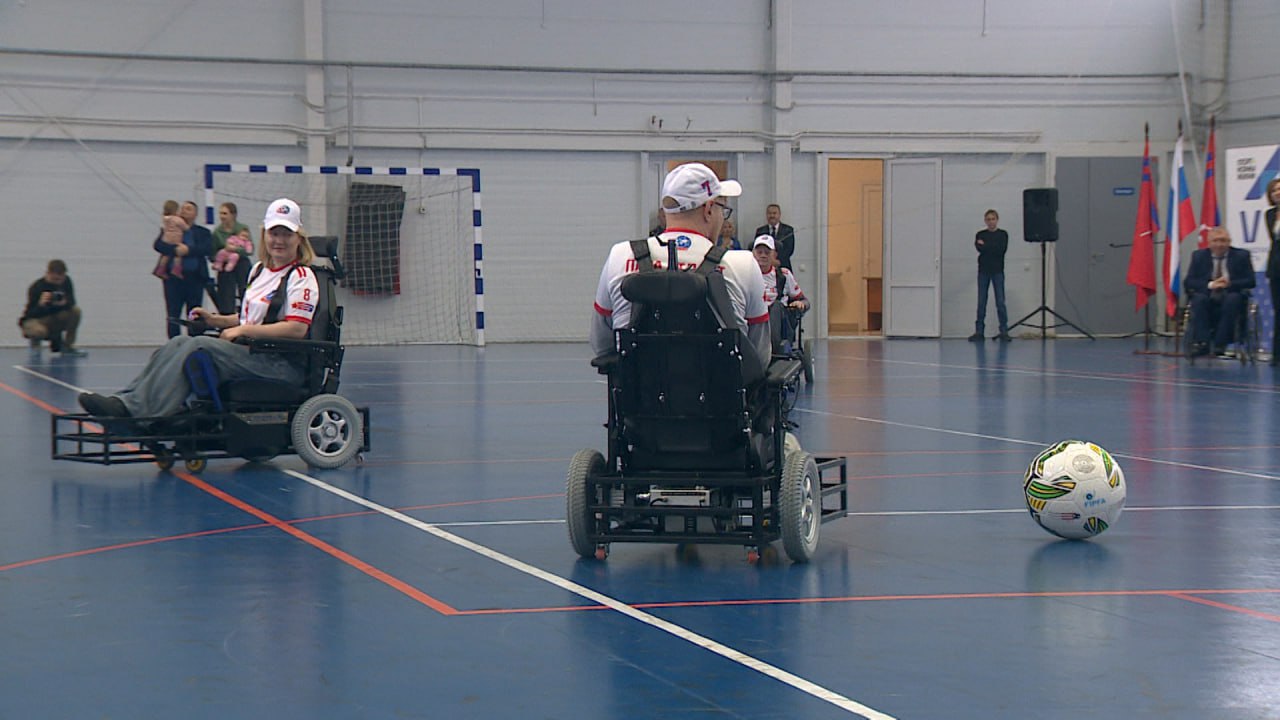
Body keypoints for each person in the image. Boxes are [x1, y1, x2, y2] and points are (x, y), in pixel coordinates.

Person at [78, 198, 319, 419]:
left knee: (198, 345)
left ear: (298, 238)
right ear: (264, 234)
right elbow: (251, 318)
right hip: (252, 353)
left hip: (279, 364)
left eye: (286, 234)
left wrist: (243, 330)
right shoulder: (259, 271)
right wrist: (215, 320)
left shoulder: (301, 276)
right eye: (274, 233)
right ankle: (124, 401)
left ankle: (139, 413)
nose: (279, 240)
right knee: (177, 343)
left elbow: (297, 328)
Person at [591, 162, 770, 378]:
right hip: (723, 396)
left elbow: (601, 344)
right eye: (722, 210)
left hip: (639, 395)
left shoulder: (620, 256)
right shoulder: (743, 263)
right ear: (708, 209)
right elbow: (759, 356)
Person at [1185, 226, 1255, 358]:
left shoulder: (1241, 256)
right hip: (1208, 294)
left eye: (1223, 240)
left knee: (1233, 299)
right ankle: (1203, 342)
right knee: (1198, 300)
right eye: (1215, 241)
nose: (1219, 244)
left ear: (1229, 242)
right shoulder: (1199, 256)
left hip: (1231, 293)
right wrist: (1211, 284)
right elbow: (1189, 281)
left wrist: (1229, 283)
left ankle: (1220, 343)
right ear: (1209, 242)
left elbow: (1251, 281)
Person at [156, 200, 213, 338]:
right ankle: (174, 342)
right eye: (182, 208)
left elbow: (207, 249)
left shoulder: (202, 232)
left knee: (194, 312)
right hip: (173, 279)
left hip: (195, 278)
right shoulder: (170, 227)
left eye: (188, 209)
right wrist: (175, 250)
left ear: (195, 214)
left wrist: (188, 250)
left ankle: (194, 341)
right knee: (173, 312)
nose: (183, 211)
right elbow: (158, 245)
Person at [753, 234, 809, 353]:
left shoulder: (784, 275)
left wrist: (800, 303)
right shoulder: (747, 275)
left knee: (777, 306)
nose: (763, 255)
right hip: (754, 315)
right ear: (753, 254)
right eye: (759, 252)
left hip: (778, 318)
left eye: (767, 252)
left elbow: (805, 301)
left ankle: (774, 347)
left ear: (774, 255)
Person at [19, 259, 85, 356]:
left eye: (60, 279)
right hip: (36, 318)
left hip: (55, 317)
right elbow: (30, 313)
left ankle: (68, 345)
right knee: (39, 331)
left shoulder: (66, 282)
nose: (57, 282)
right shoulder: (37, 286)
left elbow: (72, 302)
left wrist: (64, 303)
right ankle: (35, 344)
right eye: (54, 279)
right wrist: (41, 305)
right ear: (48, 274)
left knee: (76, 311)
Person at [970, 209, 1010, 342]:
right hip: (983, 271)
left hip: (998, 271)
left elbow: (1001, 250)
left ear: (997, 220)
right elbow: (979, 248)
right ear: (985, 221)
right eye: (988, 219)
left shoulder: (1003, 234)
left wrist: (986, 246)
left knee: (1000, 302)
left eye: (993, 219)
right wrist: (990, 247)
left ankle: (1004, 330)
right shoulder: (980, 234)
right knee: (981, 302)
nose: (991, 222)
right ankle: (979, 331)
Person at [211, 201, 253, 315]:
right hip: (225, 266)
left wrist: (234, 250)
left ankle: (248, 315)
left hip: (241, 264)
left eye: (225, 213)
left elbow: (249, 250)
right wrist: (220, 257)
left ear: (233, 215)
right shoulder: (217, 232)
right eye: (220, 213)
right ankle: (227, 317)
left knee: (245, 290)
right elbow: (212, 253)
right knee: (226, 295)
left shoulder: (243, 229)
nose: (222, 216)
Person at [153, 200, 189, 279]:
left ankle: (160, 269)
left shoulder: (165, 218)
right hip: (175, 239)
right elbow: (185, 228)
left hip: (166, 239)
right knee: (178, 254)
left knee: (166, 255)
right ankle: (176, 270)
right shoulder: (177, 219)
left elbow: (163, 228)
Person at [1265, 179, 1280, 365]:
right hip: (1276, 268)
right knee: (1278, 311)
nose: (1278, 192)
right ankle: (1277, 354)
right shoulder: (1269, 214)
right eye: (1274, 190)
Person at [754, 203, 796, 270]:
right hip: (764, 267)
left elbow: (789, 250)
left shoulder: (788, 230)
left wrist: (776, 261)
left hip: (783, 266)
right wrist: (768, 261)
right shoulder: (760, 231)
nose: (772, 216)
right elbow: (756, 249)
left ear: (779, 215)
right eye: (769, 213)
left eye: (774, 213)